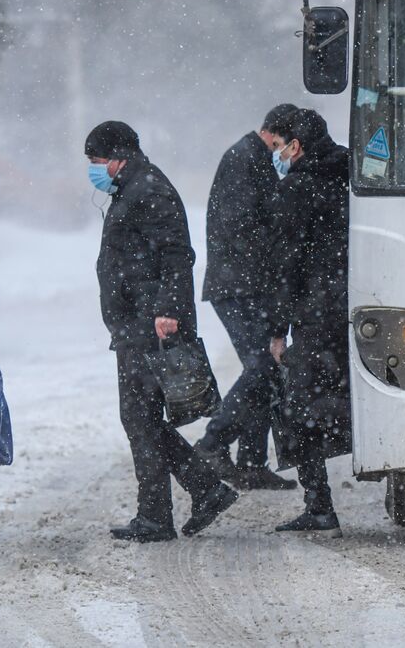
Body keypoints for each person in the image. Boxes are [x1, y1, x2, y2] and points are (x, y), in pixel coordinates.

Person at [86, 120, 238, 542]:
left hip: (150, 324)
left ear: (118, 156)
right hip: (136, 321)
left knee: (139, 417)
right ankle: (198, 493)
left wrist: (167, 310)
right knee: (143, 417)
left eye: (97, 161)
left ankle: (161, 512)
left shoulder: (148, 189)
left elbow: (176, 255)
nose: (94, 169)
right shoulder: (132, 187)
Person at [194, 104, 300, 491]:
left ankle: (252, 463)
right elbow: (242, 226)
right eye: (289, 145)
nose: (289, 153)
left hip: (248, 283)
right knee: (263, 368)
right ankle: (212, 442)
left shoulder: (254, 157)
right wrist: (279, 242)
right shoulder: (244, 159)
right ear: (277, 135)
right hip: (238, 286)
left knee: (266, 373)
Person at [268, 109, 351, 537]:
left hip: (316, 314)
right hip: (365, 307)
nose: (278, 154)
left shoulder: (295, 189)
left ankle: (319, 507)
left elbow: (288, 264)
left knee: (297, 409)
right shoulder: (355, 175)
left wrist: (277, 329)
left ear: (296, 146)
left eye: (280, 145)